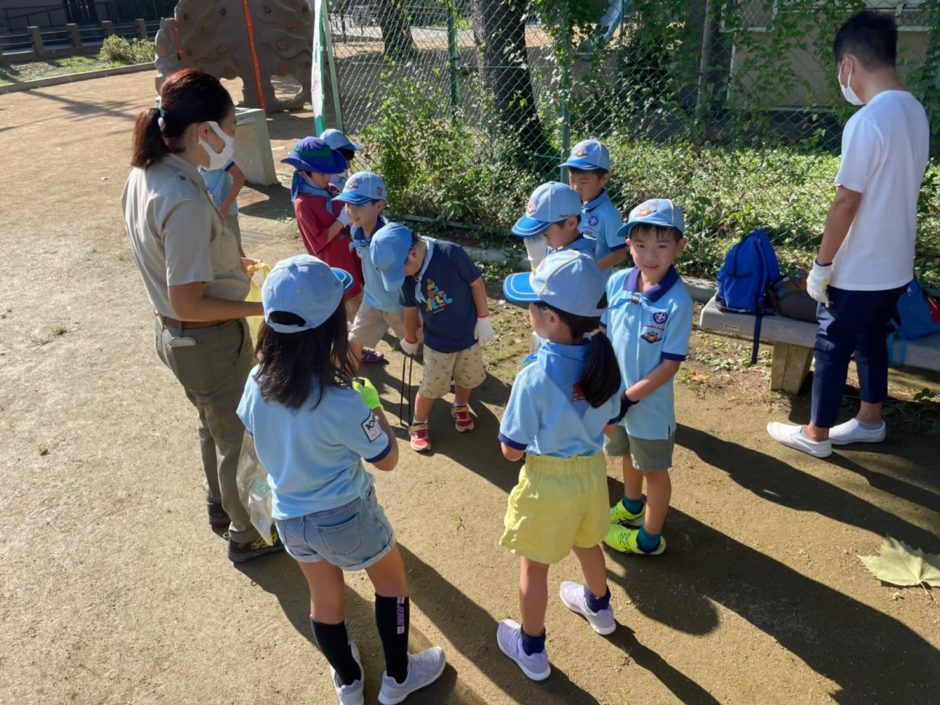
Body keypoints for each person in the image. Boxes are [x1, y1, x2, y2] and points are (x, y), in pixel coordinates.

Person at [236, 255, 446, 705]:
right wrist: (370, 401)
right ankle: (399, 677)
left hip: (291, 517)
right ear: (331, 326)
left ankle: (348, 681)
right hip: (347, 514)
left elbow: (254, 432)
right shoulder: (341, 398)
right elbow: (387, 459)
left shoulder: (255, 380)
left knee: (324, 598)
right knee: (392, 586)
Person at [122, 68, 282, 563]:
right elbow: (189, 299)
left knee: (212, 423)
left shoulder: (148, 173)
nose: (232, 137)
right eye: (230, 127)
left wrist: (227, 262)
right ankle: (247, 531)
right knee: (236, 436)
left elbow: (176, 258)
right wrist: (264, 307)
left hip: (178, 337)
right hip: (207, 340)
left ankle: (220, 504)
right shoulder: (183, 199)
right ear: (203, 131)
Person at [767, 10, 930, 458]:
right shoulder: (915, 111)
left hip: (860, 265)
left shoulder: (867, 121)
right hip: (896, 264)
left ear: (848, 64)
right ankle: (870, 419)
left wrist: (821, 265)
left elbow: (846, 201)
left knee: (832, 343)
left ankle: (816, 434)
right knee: (871, 338)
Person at [496, 250, 624, 681]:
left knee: (534, 566)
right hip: (591, 474)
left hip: (549, 481)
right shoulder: (604, 359)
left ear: (550, 318)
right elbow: (610, 424)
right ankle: (600, 608)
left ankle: (531, 648)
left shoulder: (533, 376)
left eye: (532, 305)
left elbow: (511, 450)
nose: (528, 311)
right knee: (587, 543)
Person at [603, 199, 693, 556]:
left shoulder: (678, 302)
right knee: (628, 454)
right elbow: (605, 337)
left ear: (679, 247)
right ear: (628, 246)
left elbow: (670, 365)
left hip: (649, 408)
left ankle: (648, 540)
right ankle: (631, 505)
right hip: (617, 399)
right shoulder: (616, 283)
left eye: (661, 246)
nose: (649, 255)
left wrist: (628, 398)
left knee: (654, 471)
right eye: (640, 245)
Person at [370, 223, 492, 452]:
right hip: (437, 343)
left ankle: (460, 405)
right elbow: (409, 310)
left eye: (399, 271)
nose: (400, 277)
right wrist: (410, 339)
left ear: (412, 254)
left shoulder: (450, 253)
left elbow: (476, 282)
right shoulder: (408, 276)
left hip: (470, 335)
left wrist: (483, 318)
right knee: (431, 385)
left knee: (467, 377)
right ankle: (418, 422)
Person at [283, 136, 364, 323]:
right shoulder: (303, 204)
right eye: (321, 174)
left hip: (352, 258)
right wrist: (341, 221)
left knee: (362, 305)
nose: (327, 178)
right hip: (334, 267)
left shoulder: (332, 189)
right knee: (350, 313)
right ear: (304, 173)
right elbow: (317, 242)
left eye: (328, 173)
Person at [334, 172, 410, 368]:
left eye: (358, 205)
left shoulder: (391, 238)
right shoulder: (355, 230)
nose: (350, 210)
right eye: (347, 204)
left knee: (415, 344)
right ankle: (347, 381)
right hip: (371, 301)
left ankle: (445, 369)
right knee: (354, 342)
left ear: (379, 205)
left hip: (397, 305)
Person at [561, 139, 627, 275]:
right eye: (572, 180)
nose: (575, 187)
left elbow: (620, 253)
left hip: (595, 284)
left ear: (604, 178)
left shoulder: (609, 214)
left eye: (583, 182)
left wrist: (593, 269)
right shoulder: (571, 206)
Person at [511, 182, 596, 268]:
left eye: (544, 234)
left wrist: (538, 263)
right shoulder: (559, 245)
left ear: (571, 223)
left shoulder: (578, 262)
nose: (540, 239)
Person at [199, 159, 246, 251]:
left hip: (226, 213)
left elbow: (240, 177)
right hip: (210, 213)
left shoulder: (219, 157)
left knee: (235, 249)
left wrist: (226, 206)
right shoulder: (195, 160)